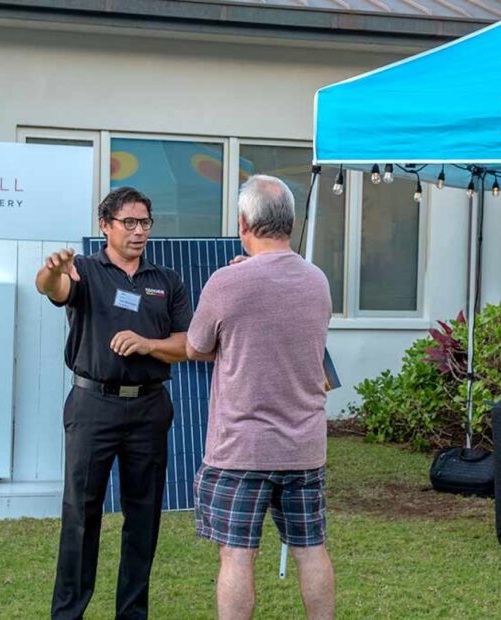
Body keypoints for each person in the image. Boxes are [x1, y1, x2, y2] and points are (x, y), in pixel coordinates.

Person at [37, 186, 192, 620]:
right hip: (93, 408)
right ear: (105, 225)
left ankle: (132, 613)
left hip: (148, 409)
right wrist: (52, 271)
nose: (138, 231)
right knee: (81, 515)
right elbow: (52, 288)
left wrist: (147, 344)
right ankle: (68, 613)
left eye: (145, 223)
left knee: (143, 519)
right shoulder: (84, 270)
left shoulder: (166, 282)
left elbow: (185, 344)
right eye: (129, 222)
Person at [186, 175, 335, 620]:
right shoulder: (318, 281)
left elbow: (196, 346)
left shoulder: (226, 282)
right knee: (311, 550)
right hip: (304, 447)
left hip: (241, 449)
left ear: (244, 223)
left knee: (237, 556)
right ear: (289, 221)